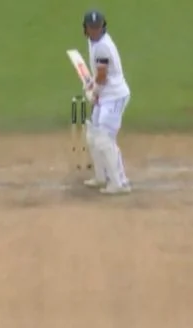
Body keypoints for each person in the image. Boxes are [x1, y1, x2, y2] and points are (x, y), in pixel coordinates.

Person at [80, 9, 132, 194]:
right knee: (93, 135)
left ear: (102, 26)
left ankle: (119, 182)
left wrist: (94, 92)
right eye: (91, 27)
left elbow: (102, 77)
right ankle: (101, 176)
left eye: (97, 27)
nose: (94, 30)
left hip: (115, 96)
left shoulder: (103, 46)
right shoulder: (93, 41)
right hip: (106, 94)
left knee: (105, 139)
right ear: (86, 28)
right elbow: (99, 75)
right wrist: (93, 86)